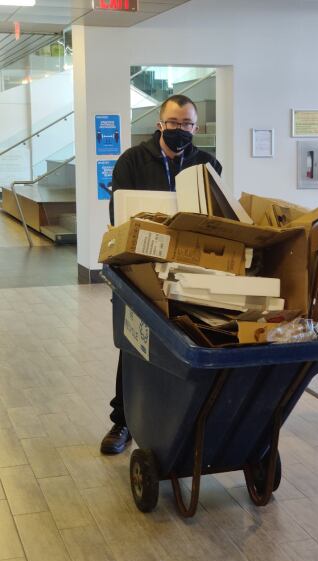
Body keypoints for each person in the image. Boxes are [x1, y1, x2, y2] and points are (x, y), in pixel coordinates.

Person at [100, 94, 222, 454]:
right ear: (159, 124)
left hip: (187, 268)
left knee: (189, 342)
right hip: (138, 268)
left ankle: (182, 423)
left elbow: (215, 219)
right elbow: (119, 217)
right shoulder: (133, 161)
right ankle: (122, 422)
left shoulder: (206, 164)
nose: (180, 130)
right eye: (173, 123)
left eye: (187, 124)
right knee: (135, 343)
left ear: (196, 128)